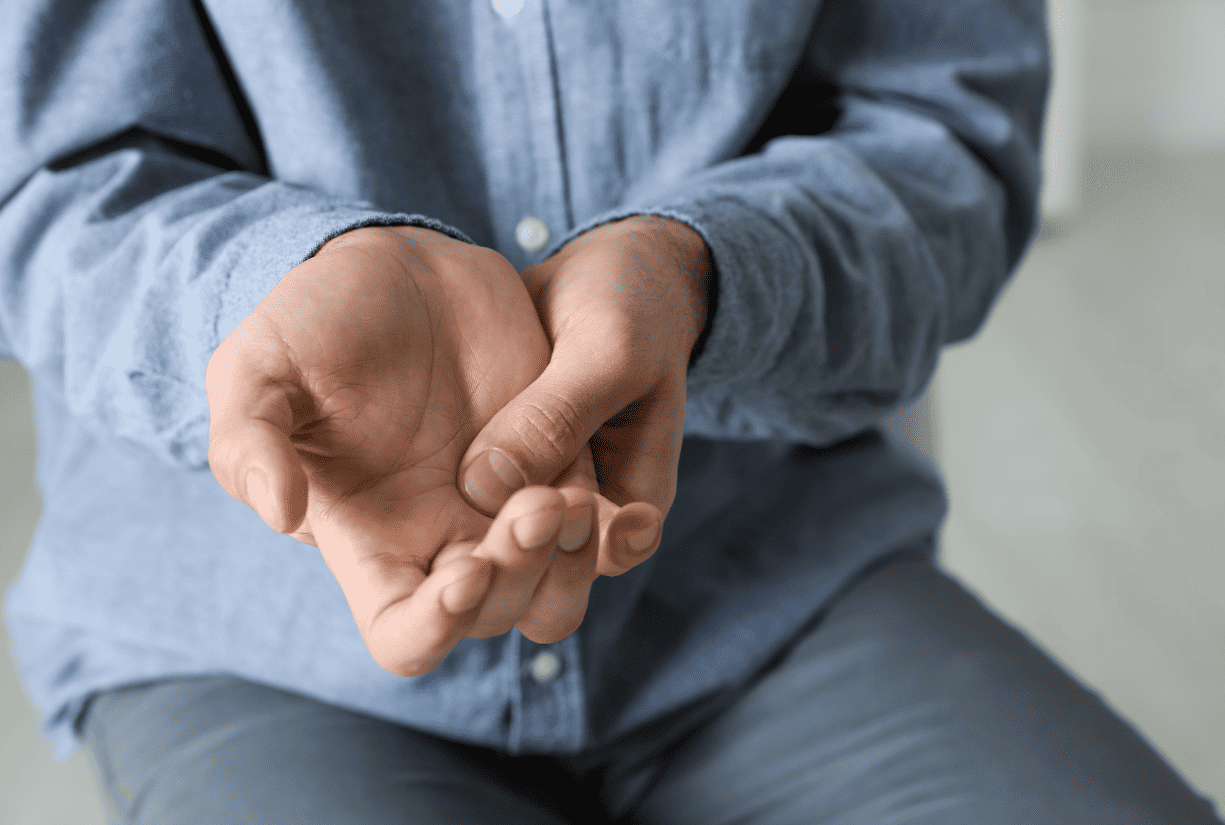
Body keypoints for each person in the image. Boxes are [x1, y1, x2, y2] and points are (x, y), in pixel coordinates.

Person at [1, 0, 1219, 822]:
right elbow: (49, 188)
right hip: (254, 647)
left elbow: (947, 145)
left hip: (766, 589)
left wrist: (702, 270)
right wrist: (269, 289)